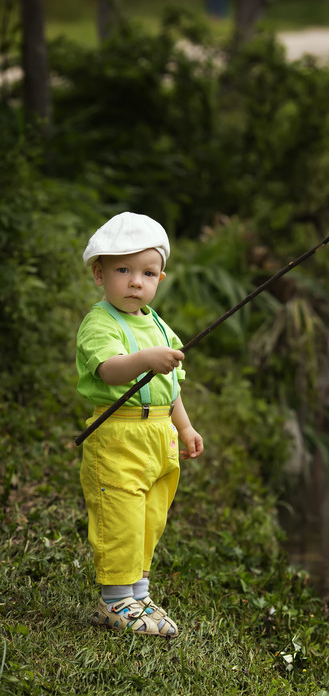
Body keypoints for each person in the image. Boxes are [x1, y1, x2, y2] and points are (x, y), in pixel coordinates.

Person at [76, 212, 204, 637]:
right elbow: (110, 371)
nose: (136, 282)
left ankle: (139, 593)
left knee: (151, 517)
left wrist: (184, 428)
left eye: (147, 273)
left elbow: (172, 388)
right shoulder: (100, 323)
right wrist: (145, 361)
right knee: (121, 515)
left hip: (160, 437)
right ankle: (114, 602)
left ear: (160, 279)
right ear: (100, 274)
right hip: (118, 437)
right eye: (123, 270)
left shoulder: (160, 326)